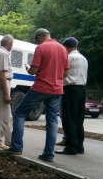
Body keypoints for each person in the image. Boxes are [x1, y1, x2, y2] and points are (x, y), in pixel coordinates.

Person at [5, 28, 69, 162]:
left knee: (19, 113)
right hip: (57, 90)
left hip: (41, 88)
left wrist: (29, 70)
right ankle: (48, 154)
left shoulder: (41, 47)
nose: (37, 42)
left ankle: (16, 148)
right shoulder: (63, 49)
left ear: (40, 36)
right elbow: (65, 73)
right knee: (52, 121)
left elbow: (34, 71)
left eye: (37, 39)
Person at [55, 37, 88, 155]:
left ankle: (70, 147)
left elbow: (62, 73)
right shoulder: (84, 58)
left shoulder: (68, 57)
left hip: (70, 90)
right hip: (82, 90)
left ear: (66, 47)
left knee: (68, 119)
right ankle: (79, 146)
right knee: (78, 119)